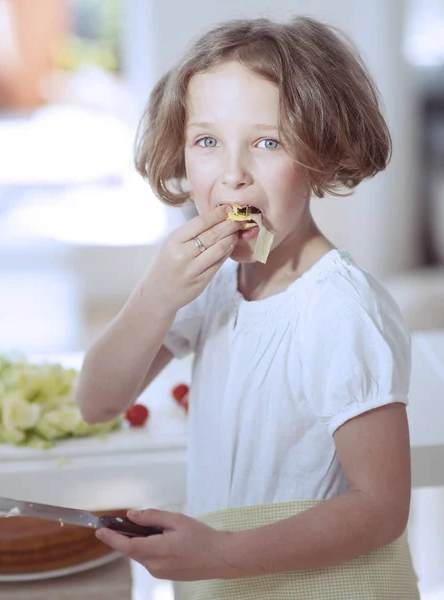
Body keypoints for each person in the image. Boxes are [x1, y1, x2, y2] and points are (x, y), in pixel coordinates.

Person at [76, 16, 420, 599]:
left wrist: (223, 551)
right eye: (207, 141)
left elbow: (382, 507)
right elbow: (96, 401)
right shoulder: (213, 282)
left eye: (268, 142)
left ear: (324, 153)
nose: (233, 174)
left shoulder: (339, 311)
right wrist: (156, 291)